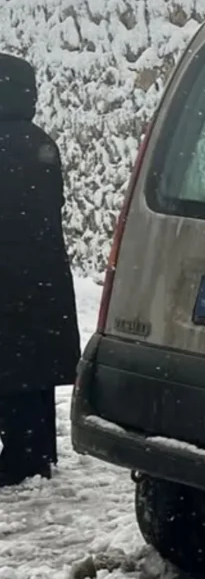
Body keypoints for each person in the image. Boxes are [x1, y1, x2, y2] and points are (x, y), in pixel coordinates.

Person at [0, 54, 78, 486]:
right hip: (40, 269)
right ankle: (37, 451)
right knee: (30, 366)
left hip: (7, 273)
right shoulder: (39, 141)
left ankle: (20, 461)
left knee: (10, 365)